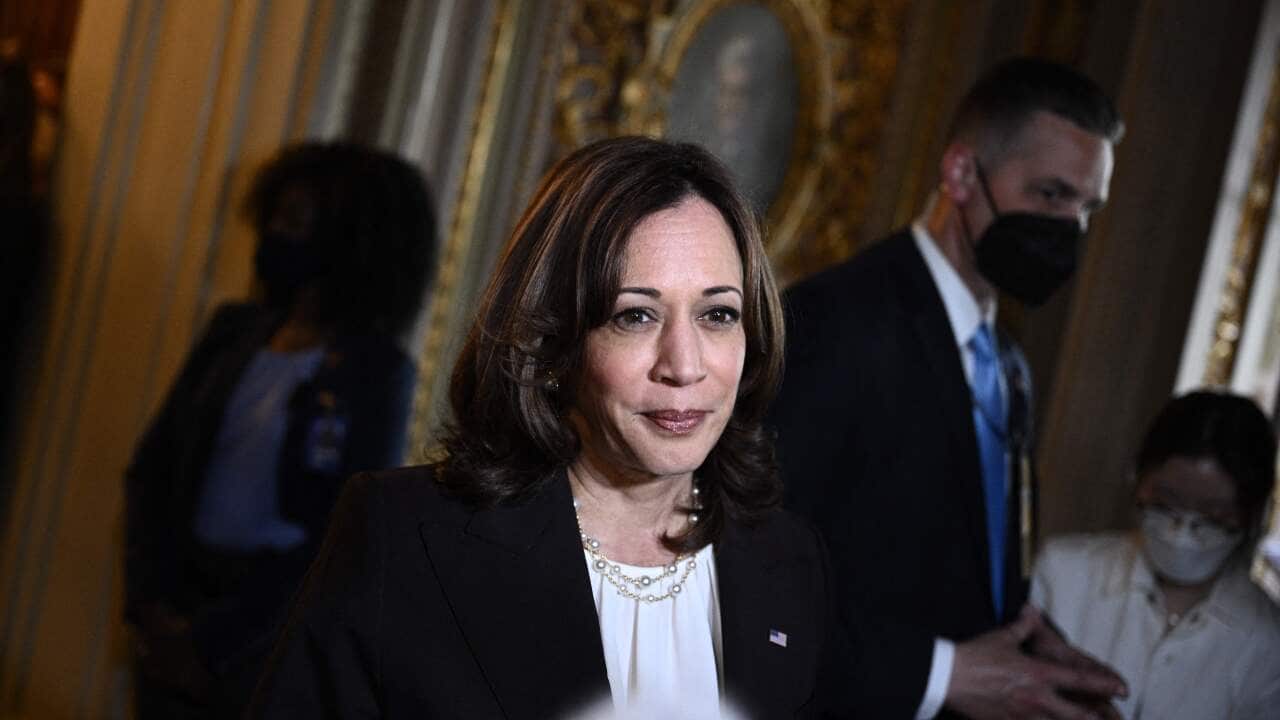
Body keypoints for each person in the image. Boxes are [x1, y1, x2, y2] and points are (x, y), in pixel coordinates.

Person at [249, 136, 857, 718]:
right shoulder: (402, 536)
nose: (685, 365)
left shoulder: (792, 563)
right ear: (552, 343)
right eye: (635, 316)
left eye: (718, 314)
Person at [771, 57, 1129, 718]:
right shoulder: (837, 323)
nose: (1070, 230)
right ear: (961, 173)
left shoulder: (1009, 368)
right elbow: (752, 578)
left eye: (1088, 209)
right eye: (1051, 196)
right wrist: (944, 673)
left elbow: (955, 562)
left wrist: (1034, 647)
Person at [124, 141, 437, 718]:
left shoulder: (374, 373)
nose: (272, 236)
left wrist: (210, 642)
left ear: (345, 241)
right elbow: (154, 469)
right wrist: (152, 608)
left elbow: (340, 535)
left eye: (294, 222)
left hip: (259, 637)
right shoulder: (232, 332)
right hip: (172, 609)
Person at [1032, 391, 1280, 719]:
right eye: (1166, 502)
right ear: (1137, 477)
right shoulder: (1062, 572)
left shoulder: (1267, 642)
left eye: (1213, 516)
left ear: (1252, 513)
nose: (1183, 528)